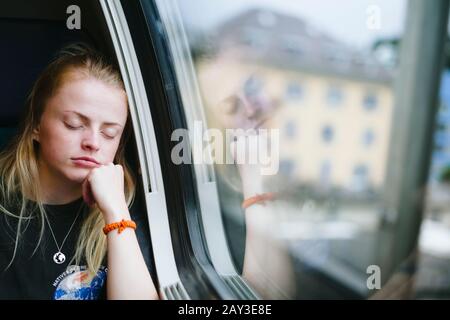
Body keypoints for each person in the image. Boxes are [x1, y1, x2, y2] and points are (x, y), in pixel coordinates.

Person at [0, 43, 158, 300]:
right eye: (74, 124)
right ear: (36, 125)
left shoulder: (127, 203)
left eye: (109, 133)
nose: (93, 143)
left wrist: (116, 212)